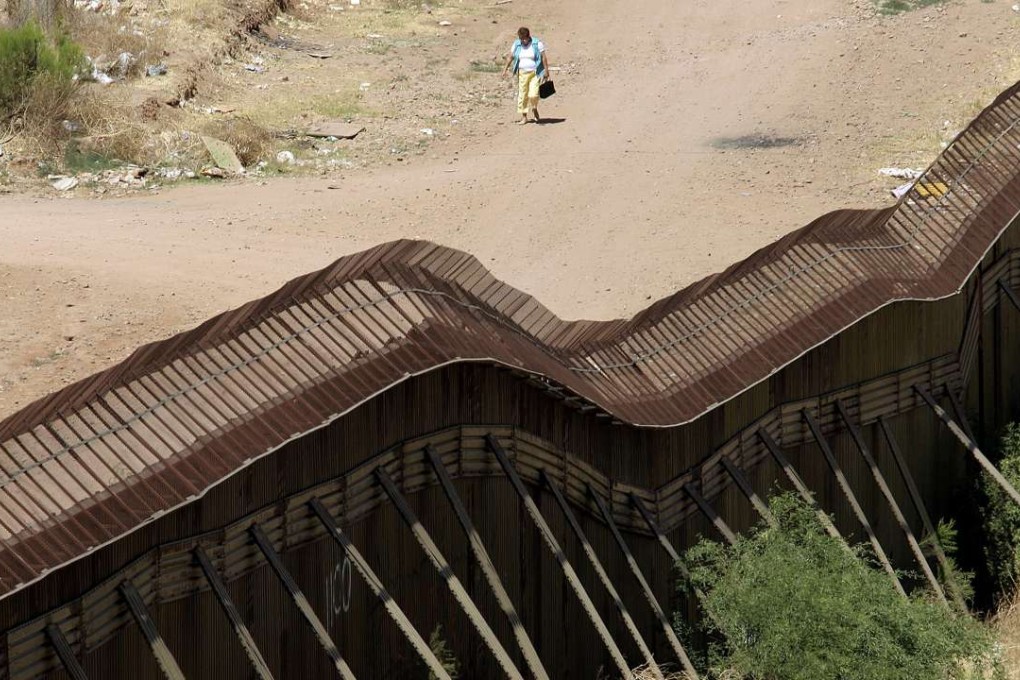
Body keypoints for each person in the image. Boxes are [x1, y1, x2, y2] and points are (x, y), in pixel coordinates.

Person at [501, 27, 549, 125]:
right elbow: (511, 57)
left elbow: (543, 57)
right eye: (521, 39)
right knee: (522, 95)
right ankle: (524, 117)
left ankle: (534, 107)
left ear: (528, 36)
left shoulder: (537, 43)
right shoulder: (517, 44)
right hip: (522, 73)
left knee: (533, 94)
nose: (523, 40)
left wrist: (546, 71)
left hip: (535, 73)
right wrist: (505, 69)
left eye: (525, 38)